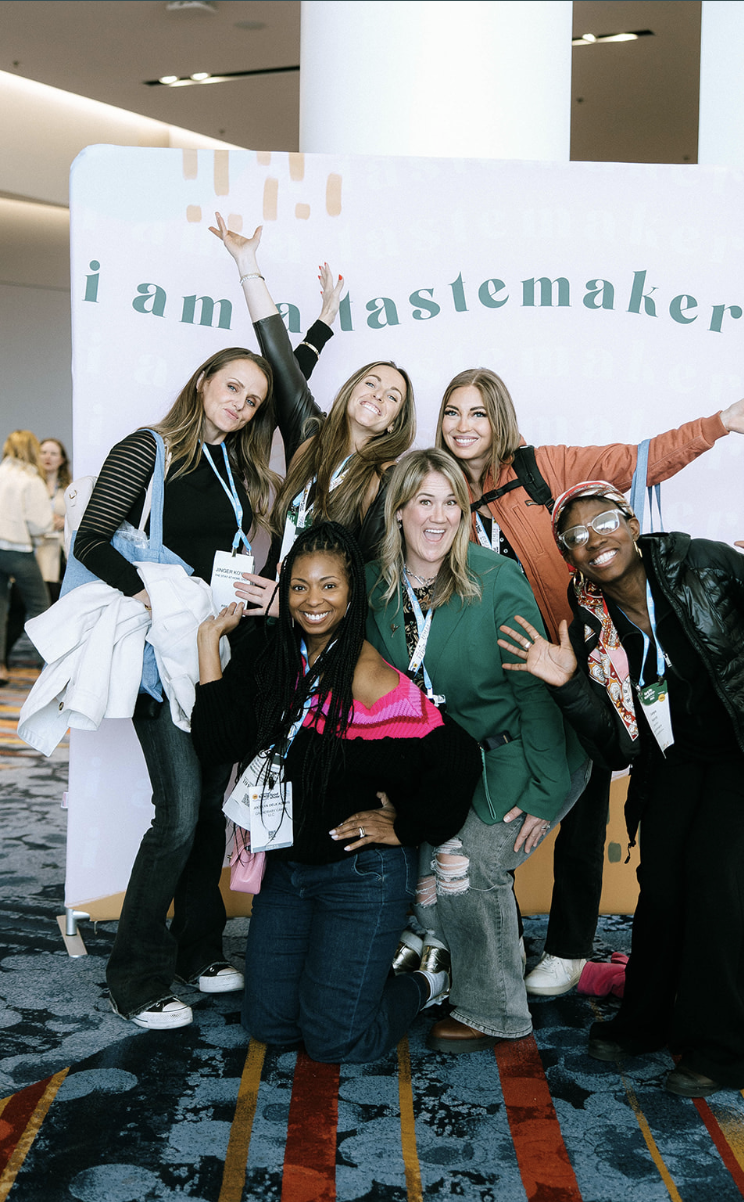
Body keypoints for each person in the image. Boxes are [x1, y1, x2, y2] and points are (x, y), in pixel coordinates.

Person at [436, 366, 744, 998]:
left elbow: (636, 462)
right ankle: (504, 937)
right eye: (452, 413)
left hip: (573, 659)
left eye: (479, 413)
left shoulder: (543, 467)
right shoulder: (433, 490)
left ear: (500, 419)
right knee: (493, 796)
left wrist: (717, 425)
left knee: (585, 800)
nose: (464, 427)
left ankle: (569, 947)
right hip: (491, 677)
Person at [498, 480, 744, 1097]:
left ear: (630, 521)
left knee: (715, 885)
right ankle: (647, 1020)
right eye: (577, 538)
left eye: (604, 523)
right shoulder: (587, 614)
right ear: (569, 556)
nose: (595, 541)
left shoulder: (700, 561)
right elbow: (618, 746)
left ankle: (722, 1049)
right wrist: (570, 687)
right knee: (663, 884)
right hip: (672, 760)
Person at [190, 522, 482, 1063]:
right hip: (287, 871)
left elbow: (457, 757)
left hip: (359, 877)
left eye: (329, 586)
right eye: (299, 587)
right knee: (270, 1025)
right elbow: (216, 742)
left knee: (336, 1040)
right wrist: (211, 645)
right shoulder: (271, 656)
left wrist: (406, 826)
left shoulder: (369, 677)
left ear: (352, 595)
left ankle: (424, 982)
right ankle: (371, 964)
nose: (312, 601)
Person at [73, 346, 280, 1030]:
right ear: (202, 382)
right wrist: (153, 597)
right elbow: (92, 540)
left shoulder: (235, 464)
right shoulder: (149, 448)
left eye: (252, 400)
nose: (241, 405)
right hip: (158, 654)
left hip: (212, 650)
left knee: (210, 816)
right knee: (180, 814)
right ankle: (135, 976)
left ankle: (198, 950)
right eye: (232, 388)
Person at [365, 448, 590, 1053]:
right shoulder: (373, 587)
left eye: (451, 504)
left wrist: (545, 793)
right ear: (399, 512)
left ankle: (496, 1011)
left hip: (527, 753)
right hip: (448, 765)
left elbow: (535, 694)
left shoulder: (494, 579)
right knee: (419, 858)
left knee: (467, 863)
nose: (437, 517)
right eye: (424, 502)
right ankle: (465, 962)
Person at [209, 214, 416, 617]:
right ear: (353, 387)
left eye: (392, 396)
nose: (378, 395)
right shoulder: (309, 434)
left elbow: (374, 576)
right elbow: (278, 355)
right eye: (371, 382)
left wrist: (290, 605)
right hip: (263, 602)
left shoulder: (387, 479)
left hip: (323, 622)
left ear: (394, 421)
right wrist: (246, 263)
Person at [0, 430, 53, 685]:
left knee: (1, 610)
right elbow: (39, 524)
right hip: (18, 550)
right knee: (41, 608)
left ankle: (0, 669)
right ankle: (51, 668)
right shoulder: (31, 479)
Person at [36, 437, 71, 603]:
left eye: (53, 453)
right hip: (35, 546)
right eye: (43, 452)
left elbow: (78, 516)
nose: (47, 457)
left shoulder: (69, 487)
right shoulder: (31, 483)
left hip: (58, 549)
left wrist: (65, 522)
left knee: (53, 598)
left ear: (62, 459)